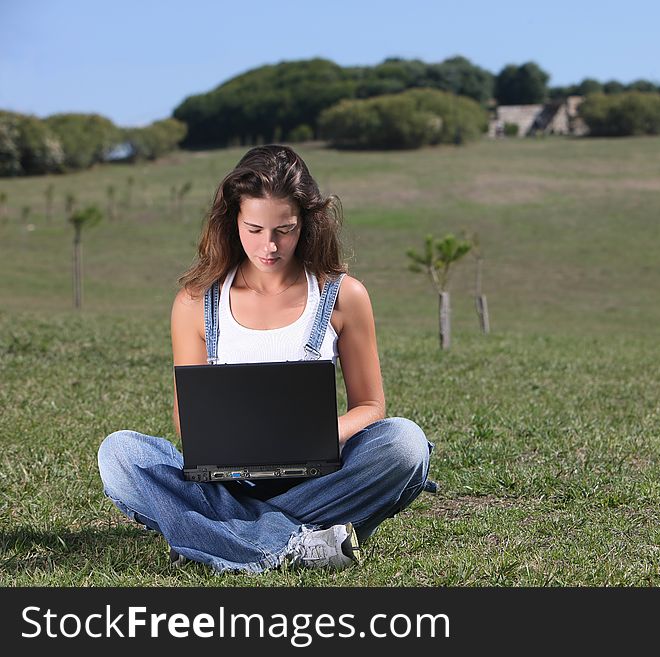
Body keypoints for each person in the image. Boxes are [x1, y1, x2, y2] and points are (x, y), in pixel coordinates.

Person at [97, 145, 434, 573]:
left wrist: (321, 434)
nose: (269, 246)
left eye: (285, 230)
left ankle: (214, 536)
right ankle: (300, 543)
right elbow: (188, 423)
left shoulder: (343, 295)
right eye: (254, 229)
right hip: (228, 483)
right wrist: (237, 444)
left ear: (307, 223)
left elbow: (371, 407)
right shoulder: (195, 302)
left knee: (405, 444)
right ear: (232, 220)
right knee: (120, 454)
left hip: (318, 478)